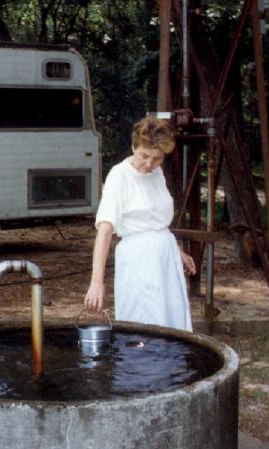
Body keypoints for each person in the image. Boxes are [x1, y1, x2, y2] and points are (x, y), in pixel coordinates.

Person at [84, 116, 196, 331]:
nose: (149, 164)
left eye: (157, 158)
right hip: (139, 260)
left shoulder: (156, 173)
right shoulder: (120, 176)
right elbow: (105, 231)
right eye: (144, 155)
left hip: (165, 258)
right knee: (145, 320)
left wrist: (177, 252)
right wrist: (97, 282)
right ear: (134, 146)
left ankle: (171, 365)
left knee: (171, 318)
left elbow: (154, 220)